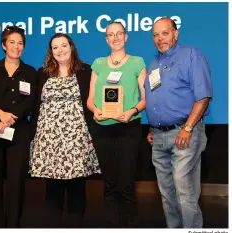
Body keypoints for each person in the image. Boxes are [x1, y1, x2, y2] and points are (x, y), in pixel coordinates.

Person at [145, 17, 213, 228]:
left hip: (185, 133)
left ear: (176, 34)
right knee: (167, 193)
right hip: (159, 137)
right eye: (155, 35)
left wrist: (188, 127)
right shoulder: (154, 63)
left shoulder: (191, 55)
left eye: (164, 33)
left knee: (184, 190)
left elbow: (203, 96)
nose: (159, 38)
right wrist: (152, 126)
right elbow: (158, 98)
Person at [29, 33, 101, 227]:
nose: (60, 50)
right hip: (49, 139)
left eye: (64, 46)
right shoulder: (42, 73)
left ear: (71, 47)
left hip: (76, 139)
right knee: (52, 189)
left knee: (77, 188)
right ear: (51, 51)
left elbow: (94, 100)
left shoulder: (85, 70)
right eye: (55, 47)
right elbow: (35, 105)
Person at [87, 22, 147, 227]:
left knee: (126, 184)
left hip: (128, 128)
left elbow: (146, 99)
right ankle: (112, 226)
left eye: (119, 33)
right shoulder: (98, 63)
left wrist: (132, 111)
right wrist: (96, 111)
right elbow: (90, 100)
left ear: (126, 36)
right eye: (110, 34)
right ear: (106, 39)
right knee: (110, 184)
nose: (115, 38)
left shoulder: (137, 62)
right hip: (102, 128)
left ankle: (129, 227)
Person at [0, 25, 37, 228]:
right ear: (4, 45)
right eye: (12, 42)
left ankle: (13, 226)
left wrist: (12, 117)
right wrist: (0, 114)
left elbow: (30, 102)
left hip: (18, 131)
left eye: (20, 43)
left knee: (16, 182)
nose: (16, 46)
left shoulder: (29, 72)